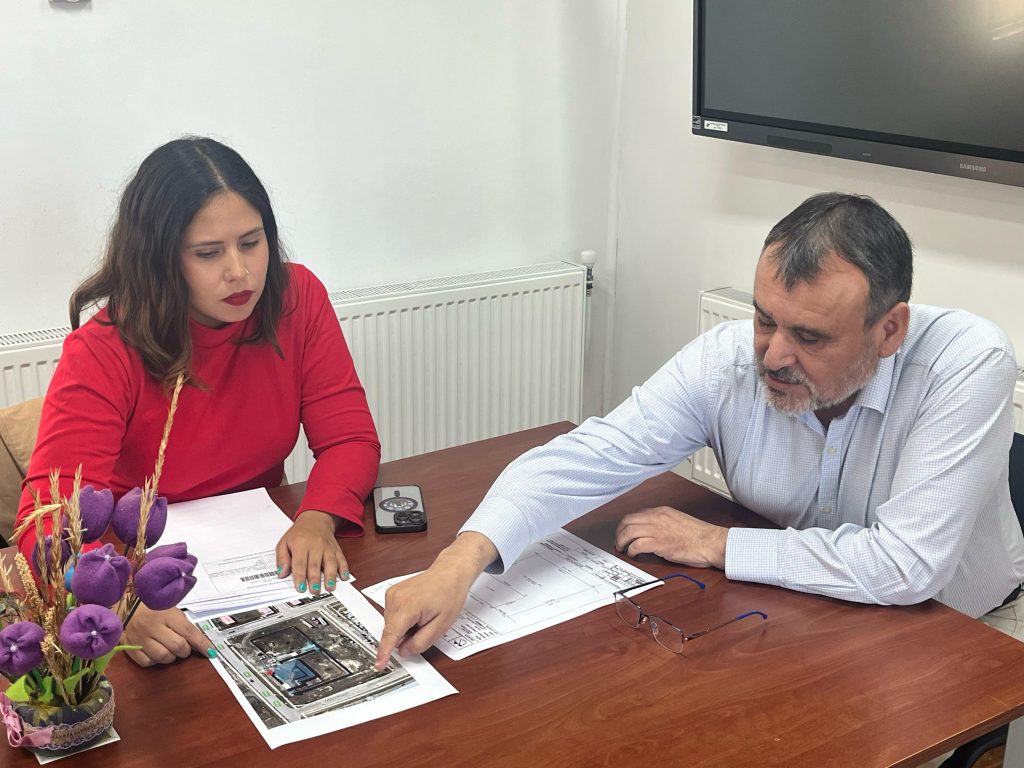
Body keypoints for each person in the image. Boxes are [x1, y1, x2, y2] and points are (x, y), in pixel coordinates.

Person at [375, 192, 1024, 669]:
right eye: (765, 319)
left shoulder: (966, 365)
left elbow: (905, 567)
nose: (772, 356)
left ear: (889, 330)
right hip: (803, 614)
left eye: (809, 337)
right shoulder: (727, 361)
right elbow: (589, 455)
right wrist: (460, 561)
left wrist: (717, 543)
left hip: (962, 625)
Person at [16, 137, 381, 666]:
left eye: (251, 242)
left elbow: (349, 438)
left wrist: (317, 518)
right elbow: (45, 521)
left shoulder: (297, 298)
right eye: (209, 253)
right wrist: (116, 601)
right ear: (160, 260)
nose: (239, 272)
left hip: (257, 562)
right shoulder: (103, 349)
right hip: (138, 580)